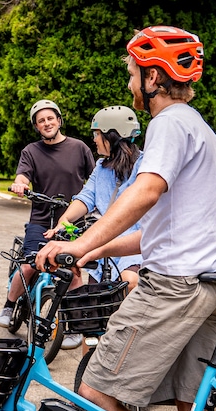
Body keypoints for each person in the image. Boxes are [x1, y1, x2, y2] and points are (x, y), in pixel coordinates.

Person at [36, 26, 216, 411]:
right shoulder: (201, 131)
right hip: (209, 281)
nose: (129, 83)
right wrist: (82, 250)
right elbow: (154, 233)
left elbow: (144, 193)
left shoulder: (168, 124)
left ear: (154, 76)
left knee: (97, 388)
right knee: (193, 409)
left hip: (173, 288)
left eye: (131, 73)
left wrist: (79, 241)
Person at [0, 99, 95, 352]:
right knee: (30, 265)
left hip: (73, 222)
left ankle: (73, 325)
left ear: (59, 120)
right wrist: (21, 184)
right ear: (37, 127)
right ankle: (9, 305)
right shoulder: (32, 151)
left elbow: (95, 179)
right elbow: (23, 175)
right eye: (41, 121)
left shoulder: (79, 147)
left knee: (72, 272)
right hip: (41, 219)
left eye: (50, 118)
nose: (47, 123)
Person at [46, 105, 144, 290]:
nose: (94, 140)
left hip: (132, 248)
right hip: (102, 247)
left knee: (129, 281)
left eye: (97, 134)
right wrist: (65, 219)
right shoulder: (101, 167)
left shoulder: (144, 166)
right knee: (92, 302)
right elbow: (86, 197)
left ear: (111, 136)